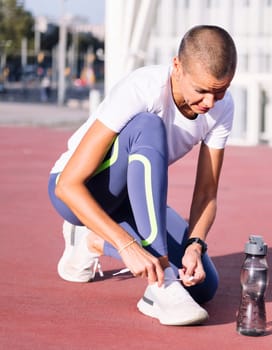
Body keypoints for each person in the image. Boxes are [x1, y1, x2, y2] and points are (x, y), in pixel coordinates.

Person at [47, 25, 237, 326]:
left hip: (132, 202)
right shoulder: (143, 88)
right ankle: (161, 284)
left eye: (221, 91)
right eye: (201, 90)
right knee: (148, 126)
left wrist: (195, 245)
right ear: (177, 67)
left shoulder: (221, 109)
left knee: (203, 286)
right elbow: (67, 185)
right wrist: (126, 246)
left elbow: (206, 194)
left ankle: (92, 242)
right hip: (83, 192)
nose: (210, 103)